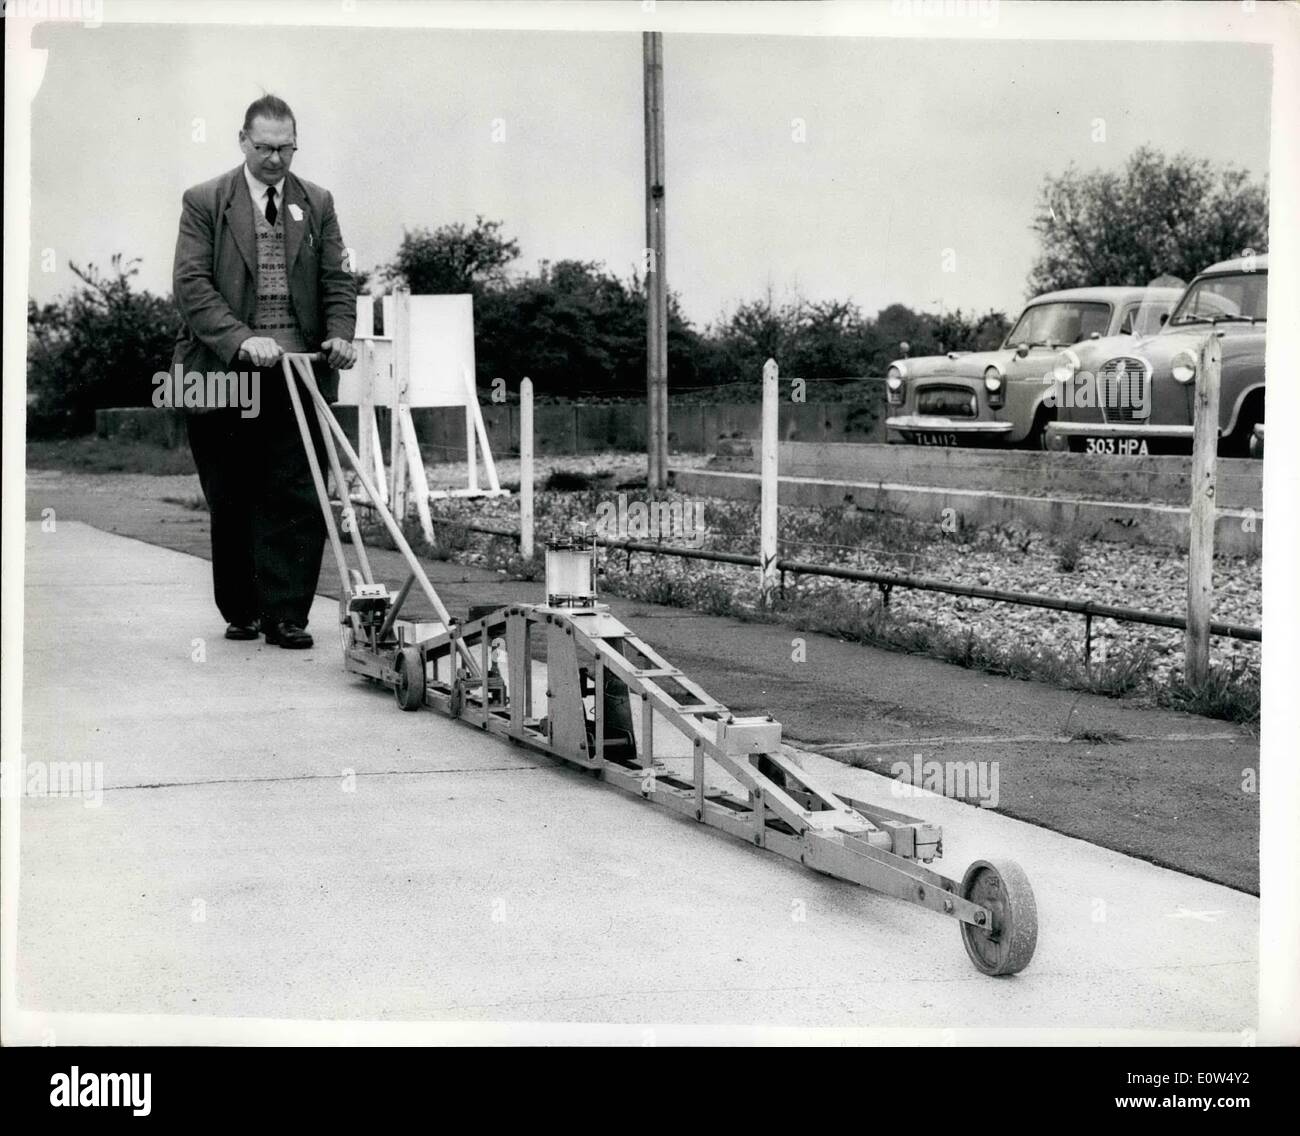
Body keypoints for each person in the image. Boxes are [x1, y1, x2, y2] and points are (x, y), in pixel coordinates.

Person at [171, 95, 357, 648]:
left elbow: (338, 281)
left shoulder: (317, 202)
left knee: (299, 494)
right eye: (265, 148)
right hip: (222, 373)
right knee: (232, 494)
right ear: (242, 141)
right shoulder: (205, 201)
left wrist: (340, 335)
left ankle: (287, 615)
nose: (276, 159)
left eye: (285, 148)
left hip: (300, 373)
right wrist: (240, 339)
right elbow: (192, 285)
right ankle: (242, 610)